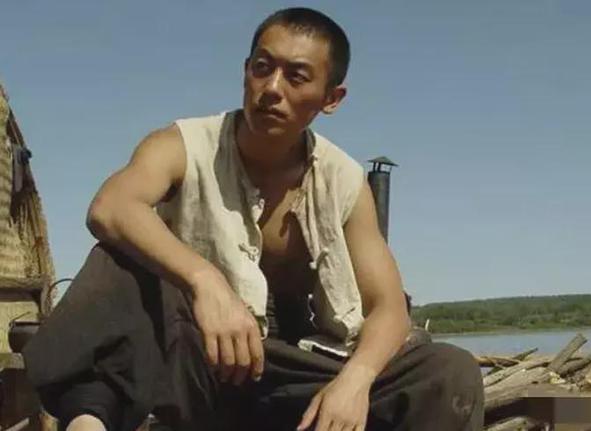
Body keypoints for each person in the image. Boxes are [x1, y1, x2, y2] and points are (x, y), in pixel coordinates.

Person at [24, 7, 484, 431]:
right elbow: (110, 207)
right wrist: (205, 281)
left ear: (332, 98)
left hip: (301, 372)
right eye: (262, 67)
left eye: (296, 76)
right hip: (203, 364)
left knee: (450, 372)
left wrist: (356, 380)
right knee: (120, 260)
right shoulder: (184, 144)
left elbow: (388, 306)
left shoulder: (343, 180)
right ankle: (88, 423)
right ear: (246, 70)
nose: (272, 88)